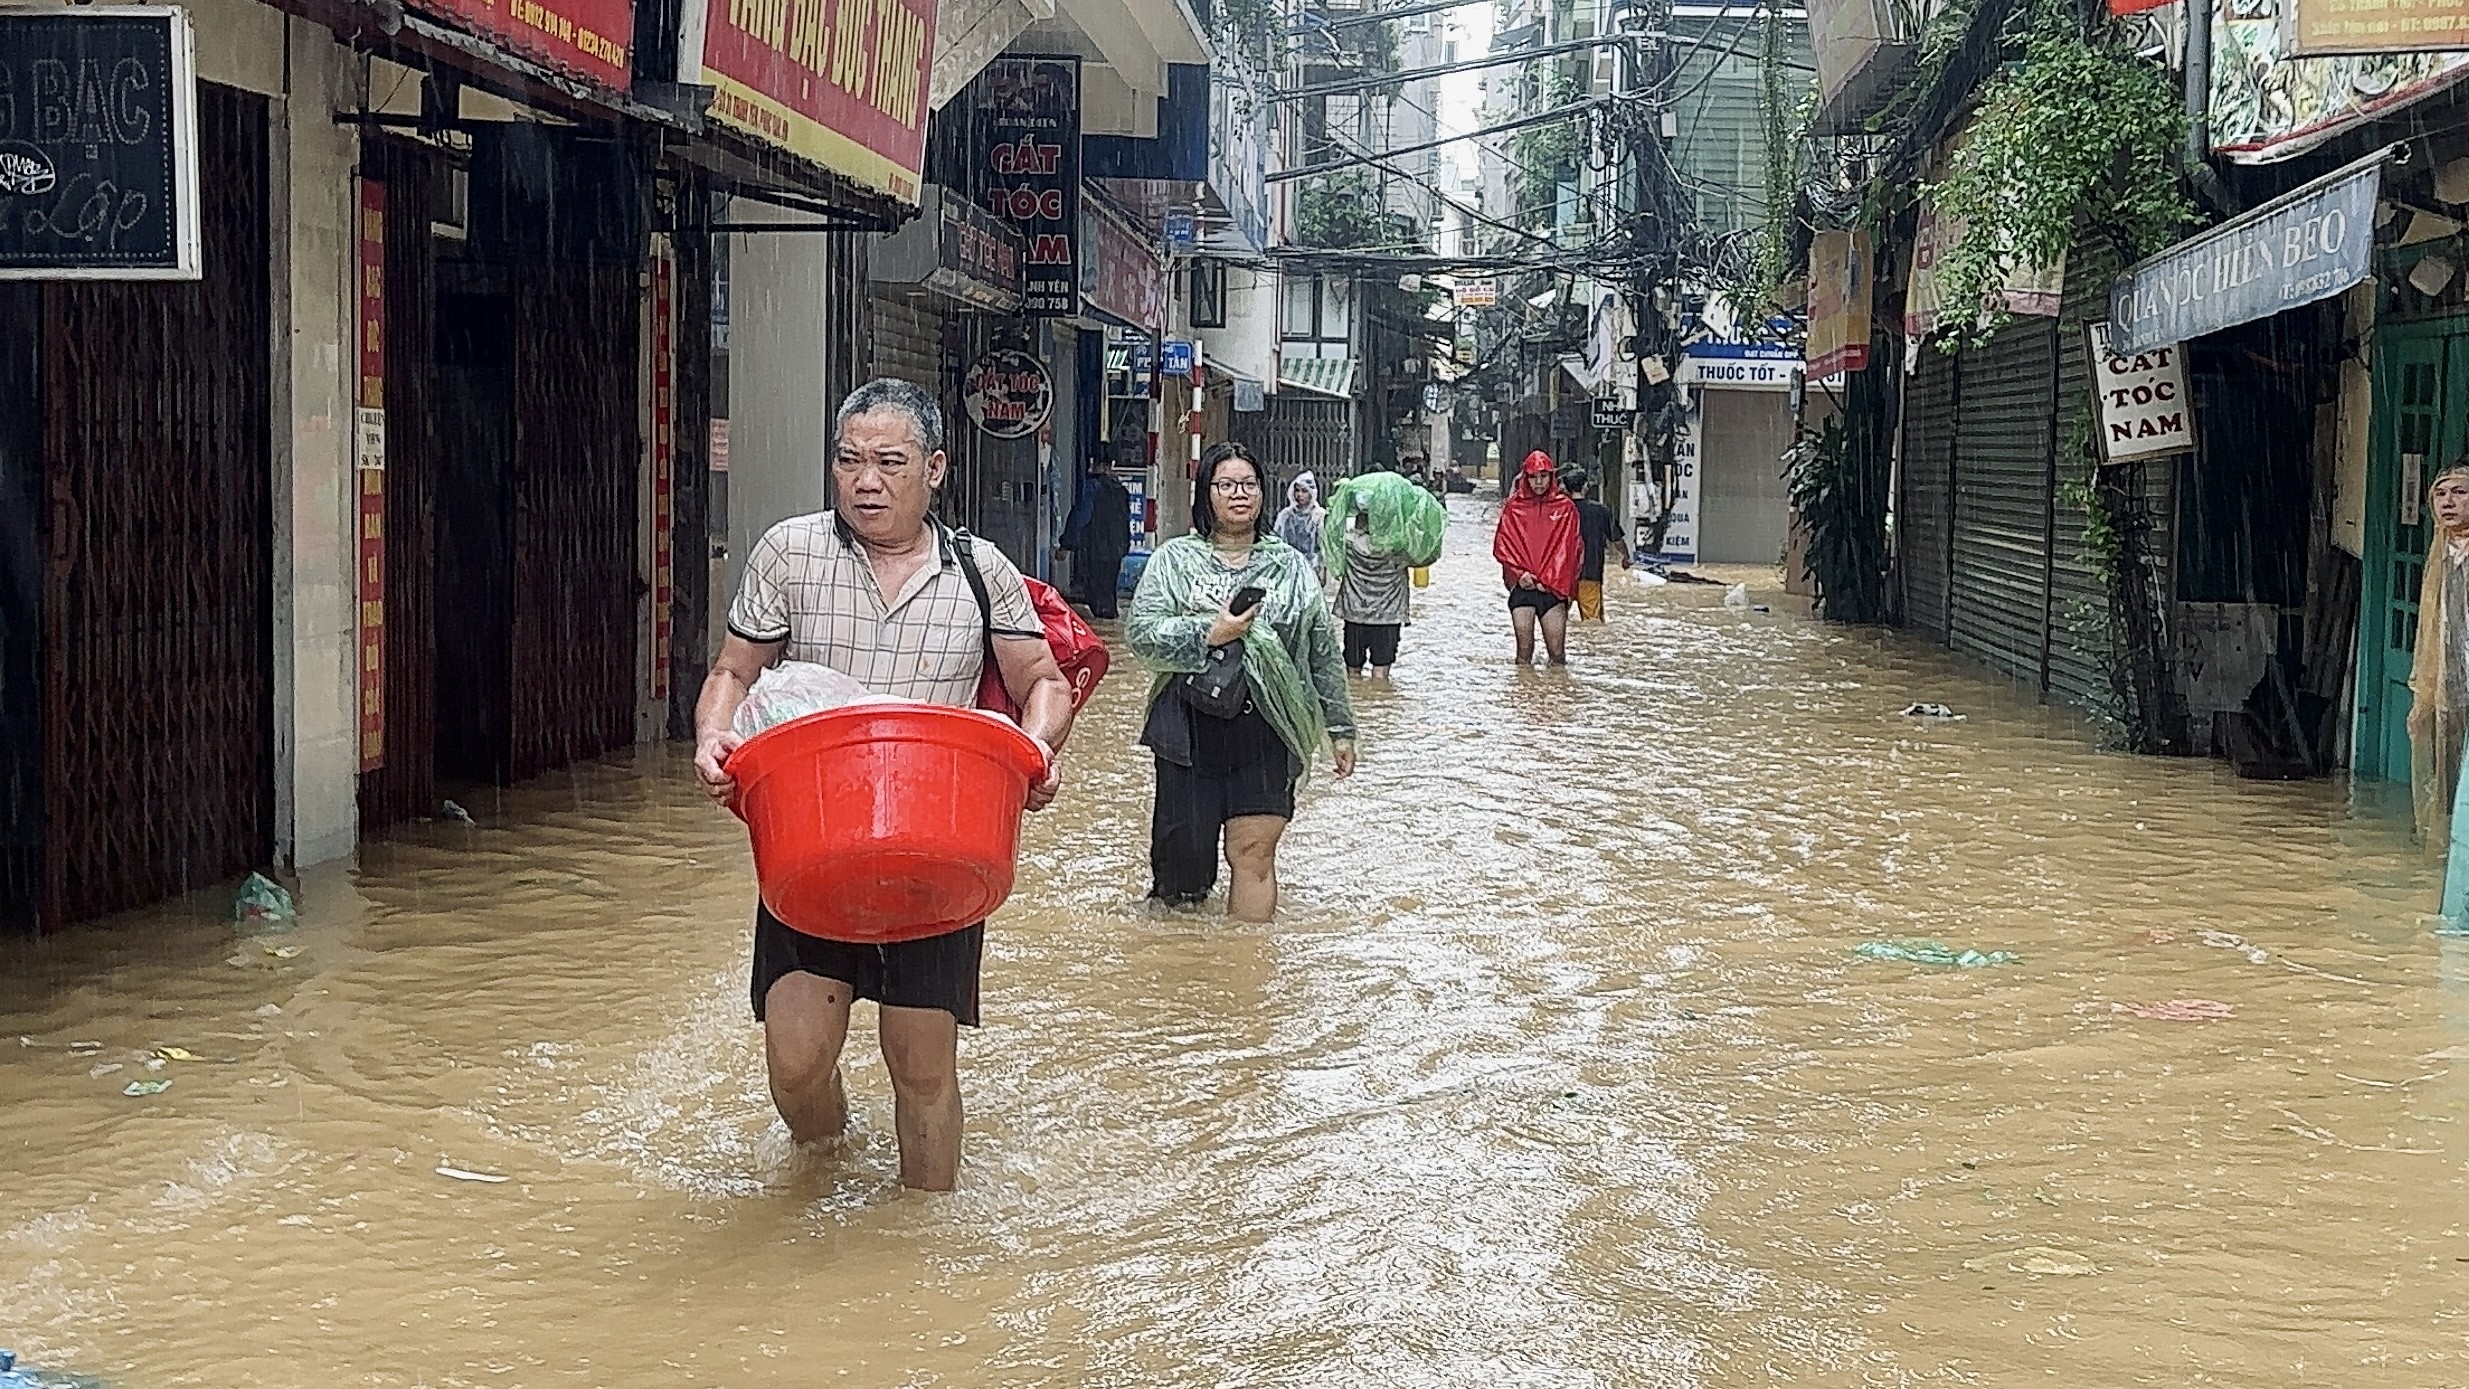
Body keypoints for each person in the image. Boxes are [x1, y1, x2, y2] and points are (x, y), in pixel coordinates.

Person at [691, 378, 1077, 1193]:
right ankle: (824, 1170)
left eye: (889, 462)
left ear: (934, 468)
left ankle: (922, 1236)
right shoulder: (789, 552)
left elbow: (1044, 680)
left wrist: (1034, 752)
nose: (866, 480)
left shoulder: (981, 570)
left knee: (921, 1063)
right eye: (849, 461)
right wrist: (711, 738)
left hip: (933, 847)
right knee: (795, 1064)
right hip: (813, 838)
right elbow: (734, 670)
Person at [1129, 441, 1357, 921]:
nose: (1239, 495)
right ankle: (1185, 980)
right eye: (1226, 485)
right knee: (1182, 876)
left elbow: (1320, 650)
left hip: (1268, 728)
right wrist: (1210, 632)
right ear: (1206, 493)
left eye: (1249, 484)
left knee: (1253, 855)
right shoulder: (1175, 561)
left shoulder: (1290, 566)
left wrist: (1340, 728)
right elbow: (1141, 634)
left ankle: (1246, 973)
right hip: (1188, 729)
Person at [2411, 462, 2469, 852]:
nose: (2448, 502)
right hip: (2451, 682)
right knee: (2446, 771)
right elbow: (2436, 625)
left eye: (2460, 492)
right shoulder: (2442, 551)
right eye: (2441, 493)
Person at [1493, 450, 1582, 666]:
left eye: (1543, 476)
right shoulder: (1513, 508)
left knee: (1557, 654)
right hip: (1523, 588)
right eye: (1534, 477)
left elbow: (1572, 551)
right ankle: (1523, 695)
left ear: (1551, 477)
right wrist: (1519, 574)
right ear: (1526, 478)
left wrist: (1556, 583)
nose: (1539, 482)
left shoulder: (1566, 508)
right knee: (1524, 653)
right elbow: (1503, 546)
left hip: (1552, 590)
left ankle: (1554, 696)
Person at [1330, 487, 1413, 678]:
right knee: (1381, 674)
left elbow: (1330, 543)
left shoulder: (1348, 543)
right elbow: (1425, 554)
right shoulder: (1399, 546)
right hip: (1388, 616)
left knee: (1352, 672)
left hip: (1355, 614)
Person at [1068, 454, 1133, 619]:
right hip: (1116, 549)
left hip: (1095, 548)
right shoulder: (1121, 491)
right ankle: (1109, 617)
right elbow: (1125, 520)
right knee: (1109, 589)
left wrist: (1067, 543)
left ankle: (1101, 630)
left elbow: (1082, 517)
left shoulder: (1093, 488)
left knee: (1094, 591)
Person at [1566, 470, 1629, 622]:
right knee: (1592, 623)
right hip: (1590, 573)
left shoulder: (1561, 511)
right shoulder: (1601, 511)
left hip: (1563, 577)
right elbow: (1616, 539)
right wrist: (1626, 557)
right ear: (1585, 486)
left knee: (1557, 621)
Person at [1274, 472, 1326, 578]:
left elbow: (1323, 546)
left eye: (1304, 491)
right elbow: (1277, 541)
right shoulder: (1285, 515)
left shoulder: (1319, 516)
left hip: (1311, 568)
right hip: (1288, 568)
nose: (1300, 495)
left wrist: (1321, 570)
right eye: (1297, 490)